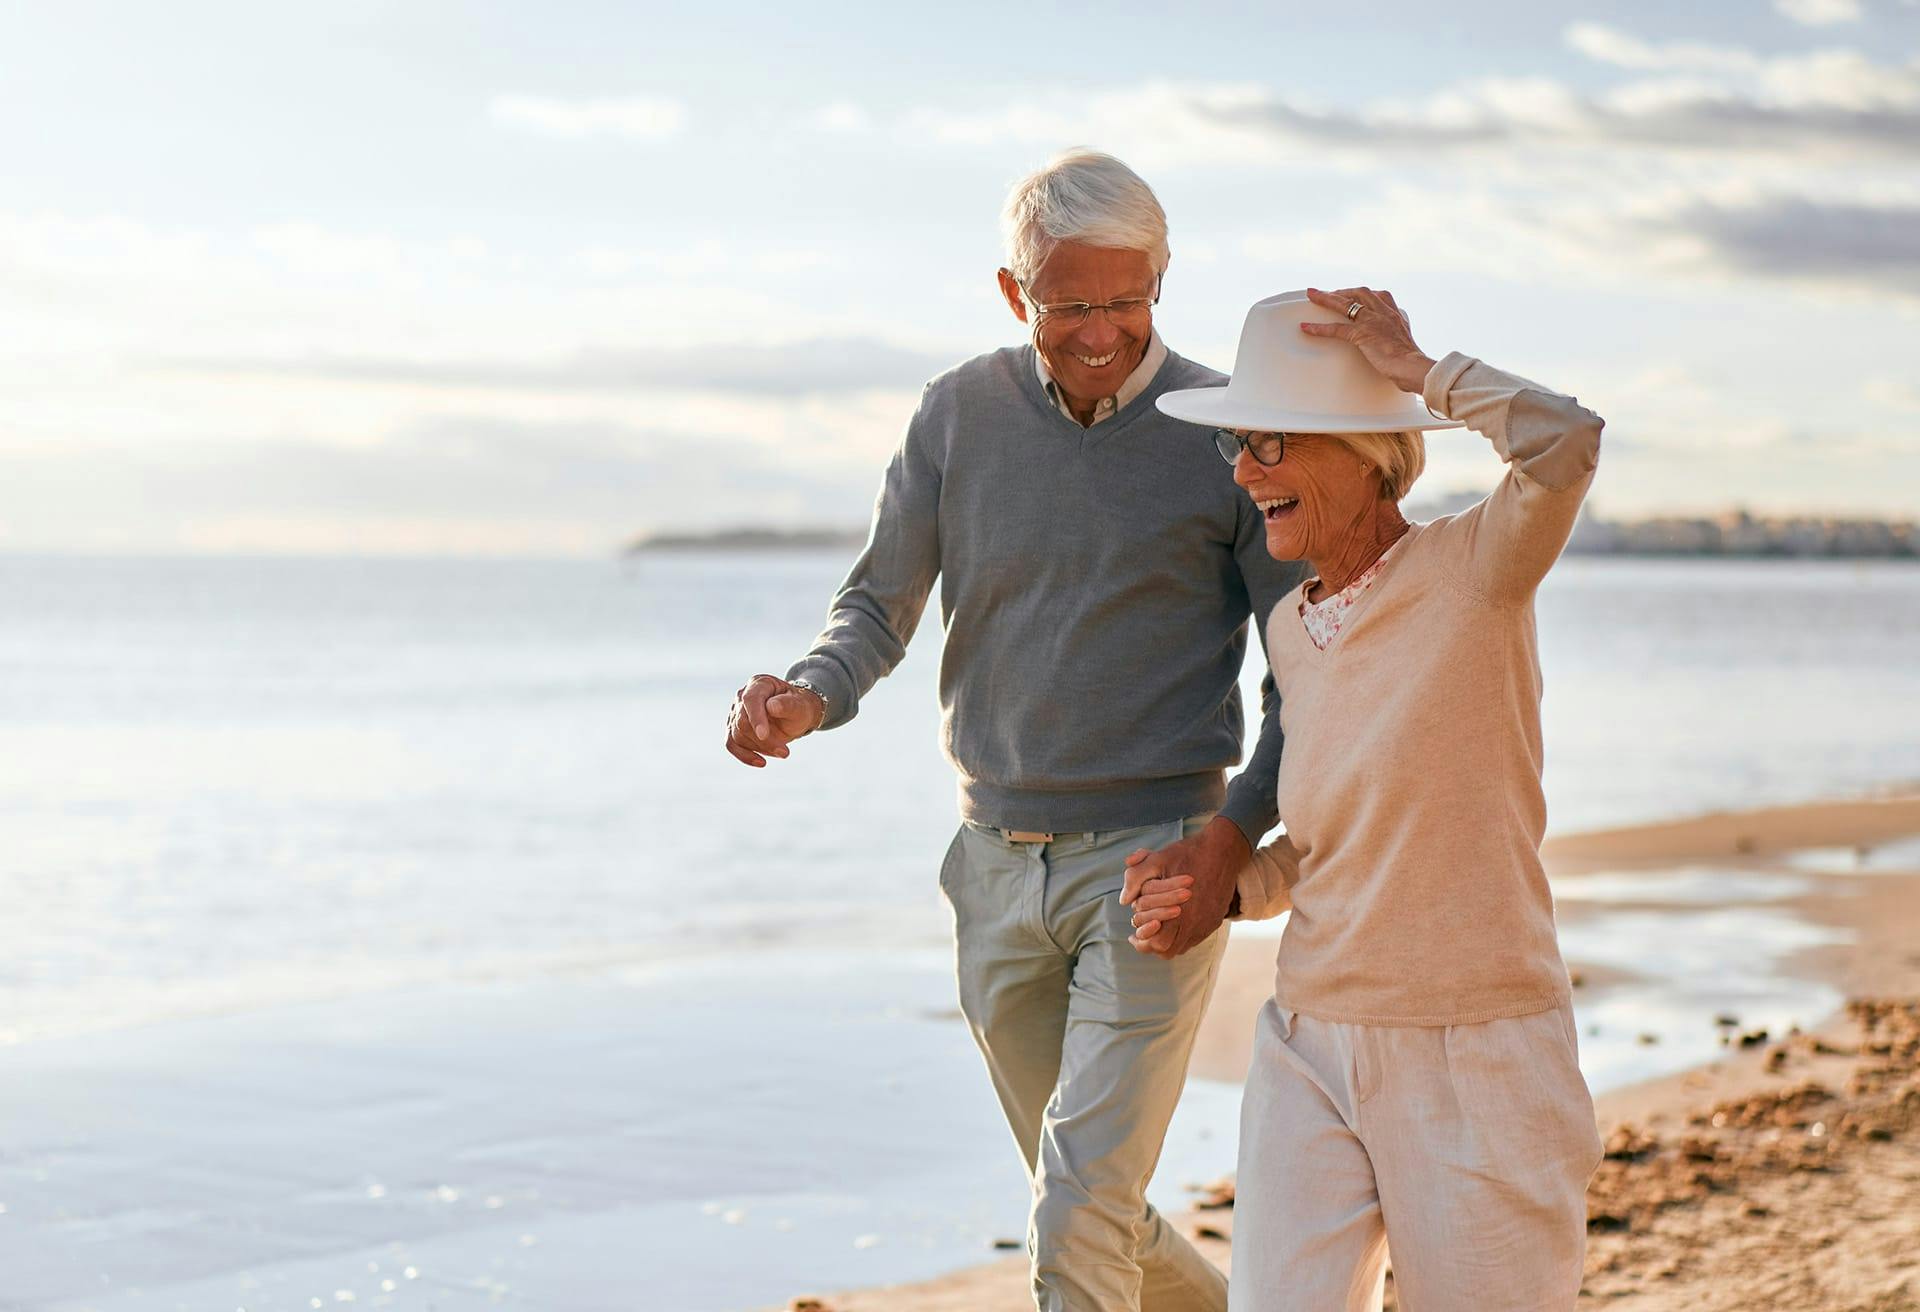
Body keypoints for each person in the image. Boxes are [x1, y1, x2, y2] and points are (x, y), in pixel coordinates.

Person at [723, 150, 1305, 1311]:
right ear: (1013, 291)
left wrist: (1230, 842)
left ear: (1162, 278)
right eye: (1068, 303)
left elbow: (1308, 680)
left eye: (1125, 299)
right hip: (991, 870)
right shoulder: (957, 414)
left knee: (1076, 1202)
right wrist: (810, 693)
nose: (1100, 331)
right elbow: (878, 606)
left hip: (1155, 865)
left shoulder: (1226, 436)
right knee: (1093, 1199)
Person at [1127, 286, 1606, 1311]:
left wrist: (1418, 367)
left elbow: (1566, 442)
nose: (1248, 475)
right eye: (1240, 448)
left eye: (1274, 444)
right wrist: (1224, 890)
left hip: (1476, 1046)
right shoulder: (1295, 628)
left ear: (1368, 450)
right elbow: (1334, 840)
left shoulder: (1476, 568)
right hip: (1308, 1037)